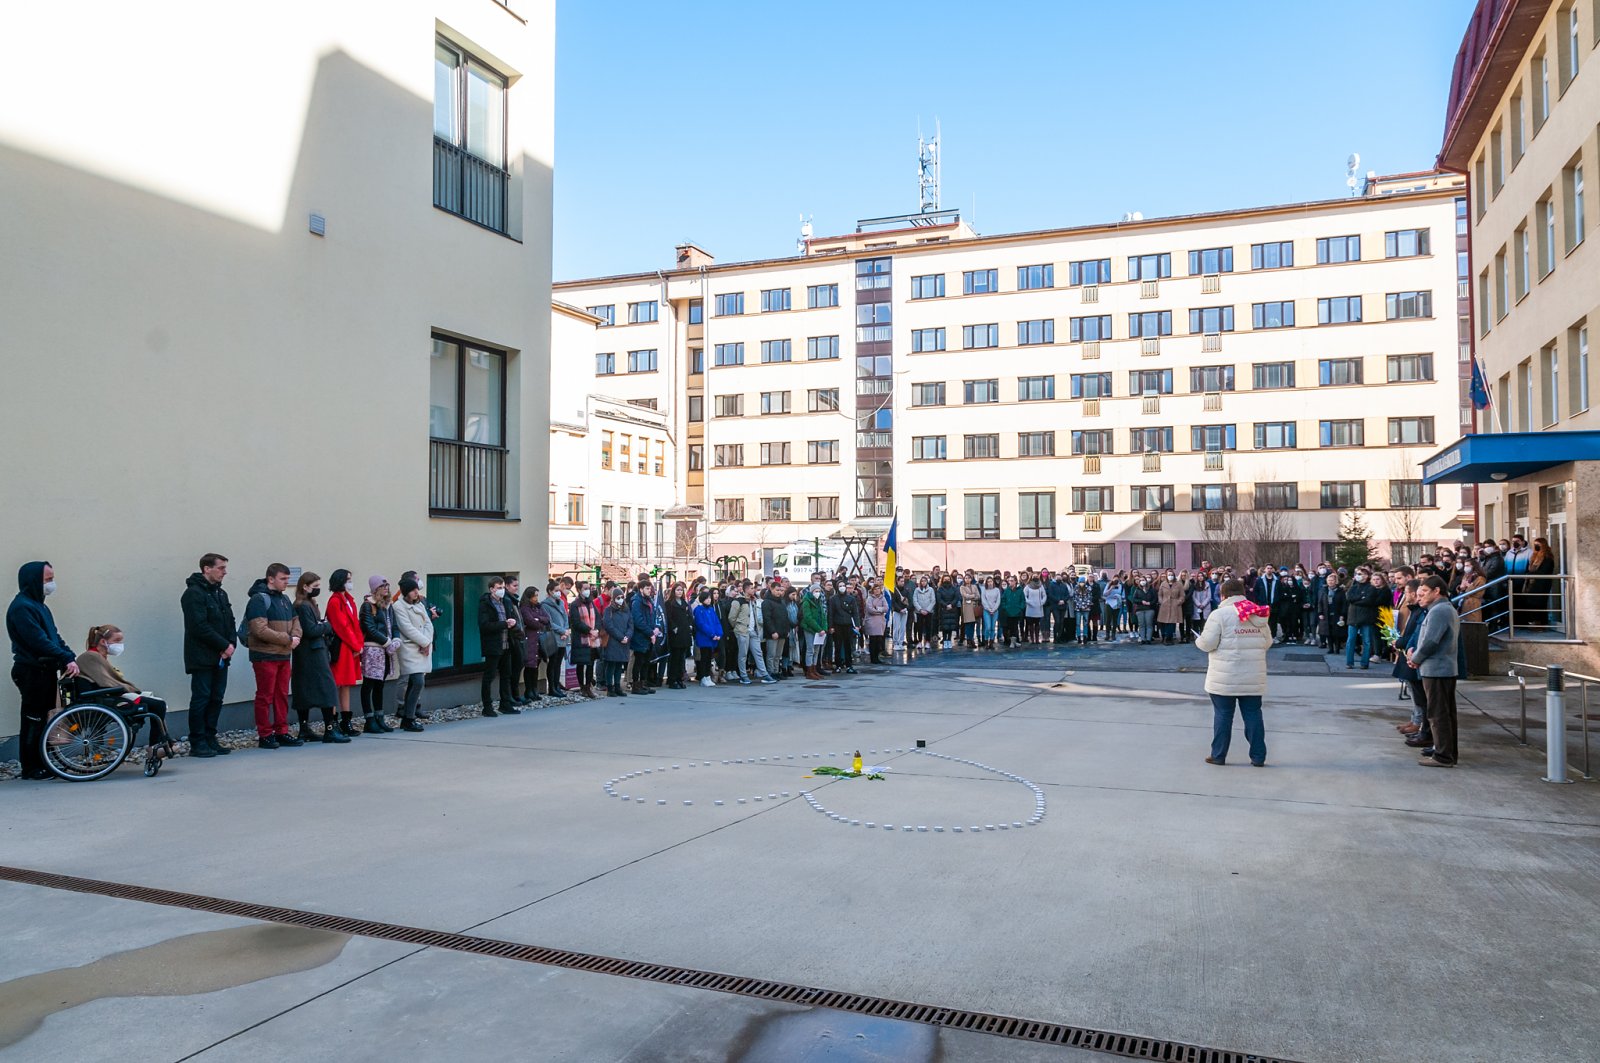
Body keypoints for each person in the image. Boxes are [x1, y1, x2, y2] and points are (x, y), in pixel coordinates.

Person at [1194, 578, 1271, 767]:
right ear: (1243, 593)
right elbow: (1267, 642)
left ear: (1223, 595)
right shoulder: (1257, 613)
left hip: (1224, 676)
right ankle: (1258, 756)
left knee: (1223, 715)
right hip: (1252, 675)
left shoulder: (1219, 615)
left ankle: (1218, 755)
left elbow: (1207, 644)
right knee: (1253, 714)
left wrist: (1198, 640)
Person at [77, 624, 174, 758]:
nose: (120, 645)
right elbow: (106, 683)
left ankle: (163, 743)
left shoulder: (96, 656)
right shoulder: (91, 657)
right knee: (158, 705)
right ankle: (155, 746)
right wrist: (128, 689)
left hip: (106, 696)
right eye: (116, 641)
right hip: (105, 700)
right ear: (103, 641)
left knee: (157, 703)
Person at [180, 553, 236, 758]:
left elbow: (230, 621)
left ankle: (211, 737)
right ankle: (198, 741)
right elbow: (198, 626)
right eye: (220, 568)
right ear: (206, 569)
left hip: (222, 656)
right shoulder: (193, 594)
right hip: (202, 656)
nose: (224, 572)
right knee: (201, 698)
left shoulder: (220, 593)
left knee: (216, 698)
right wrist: (223, 645)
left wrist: (231, 644)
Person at [243, 563, 303, 749]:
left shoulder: (284, 599)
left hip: (283, 655)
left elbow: (296, 621)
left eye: (288, 579)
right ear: (270, 579)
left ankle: (281, 731)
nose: (286, 582)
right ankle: (265, 734)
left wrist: (296, 636)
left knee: (282, 695)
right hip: (265, 655)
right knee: (265, 696)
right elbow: (259, 629)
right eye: (283, 579)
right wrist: (288, 639)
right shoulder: (258, 600)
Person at [289, 573, 348, 744]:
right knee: (326, 687)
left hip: (310, 652)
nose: (318, 589)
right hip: (312, 652)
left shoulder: (307, 604)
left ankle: (305, 729)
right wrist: (327, 626)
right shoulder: (303, 606)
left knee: (307, 689)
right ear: (305, 587)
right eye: (315, 586)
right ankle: (329, 729)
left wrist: (321, 626)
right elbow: (311, 630)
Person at [1409, 576, 1461, 767]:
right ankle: (1446, 750)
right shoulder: (1443, 609)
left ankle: (1443, 755)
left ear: (1436, 591)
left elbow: (1431, 641)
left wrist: (1415, 658)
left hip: (1437, 669)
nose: (1420, 597)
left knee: (1438, 713)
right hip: (1440, 668)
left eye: (1424, 592)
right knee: (1444, 713)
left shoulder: (1440, 611)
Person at [326, 570, 368, 736]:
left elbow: (355, 625)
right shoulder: (335, 601)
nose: (350, 582)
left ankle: (346, 720)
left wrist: (359, 644)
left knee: (346, 684)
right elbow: (341, 627)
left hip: (350, 646)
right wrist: (356, 645)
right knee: (337, 682)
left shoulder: (349, 600)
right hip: (342, 647)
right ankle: (333, 721)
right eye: (348, 580)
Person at [357, 575, 400, 732]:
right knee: (369, 683)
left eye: (387, 585)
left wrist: (396, 639)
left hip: (386, 650)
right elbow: (369, 628)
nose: (386, 588)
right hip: (373, 649)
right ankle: (369, 719)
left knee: (380, 684)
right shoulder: (368, 606)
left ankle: (379, 717)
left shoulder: (388, 606)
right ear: (375, 589)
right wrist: (387, 642)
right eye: (383, 586)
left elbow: (394, 625)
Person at [391, 576, 432, 731]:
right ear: (406, 592)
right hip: (409, 648)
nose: (416, 592)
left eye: (416, 589)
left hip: (422, 646)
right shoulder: (398, 606)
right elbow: (406, 628)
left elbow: (428, 624)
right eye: (413, 590)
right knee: (417, 681)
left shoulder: (419, 604)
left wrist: (427, 642)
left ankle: (408, 717)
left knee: (416, 682)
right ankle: (409, 717)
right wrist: (424, 642)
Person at [477, 575, 519, 716]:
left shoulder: (506, 601)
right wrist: (504, 624)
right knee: (489, 676)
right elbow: (484, 625)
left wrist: (513, 623)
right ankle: (487, 707)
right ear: (491, 589)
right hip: (493, 645)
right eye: (499, 588)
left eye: (502, 587)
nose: (501, 590)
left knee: (506, 675)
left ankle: (505, 704)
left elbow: (512, 618)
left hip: (507, 644)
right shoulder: (485, 604)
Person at [1344, 567, 1382, 670]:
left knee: (1366, 641)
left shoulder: (1371, 588)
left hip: (1366, 617)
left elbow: (1368, 601)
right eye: (1358, 574)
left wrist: (1356, 600)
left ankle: (1364, 663)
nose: (1359, 576)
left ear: (1367, 575)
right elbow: (1349, 598)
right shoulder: (1353, 587)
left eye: (1361, 574)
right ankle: (1349, 662)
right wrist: (1361, 597)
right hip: (1353, 617)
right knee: (1351, 640)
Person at [600, 590, 634, 696]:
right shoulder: (608, 610)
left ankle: (618, 686)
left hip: (624, 641)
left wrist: (627, 636)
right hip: (613, 641)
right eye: (618, 598)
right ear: (613, 598)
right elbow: (608, 626)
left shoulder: (626, 610)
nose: (620, 600)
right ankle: (610, 688)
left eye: (622, 597)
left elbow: (631, 625)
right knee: (611, 665)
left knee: (619, 665)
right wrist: (620, 637)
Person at [541, 581, 571, 696]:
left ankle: (557, 686)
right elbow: (549, 622)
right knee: (553, 663)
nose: (558, 593)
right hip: (554, 637)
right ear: (550, 591)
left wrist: (566, 631)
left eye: (559, 590)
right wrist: (562, 631)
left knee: (558, 663)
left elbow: (565, 617)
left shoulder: (561, 602)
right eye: (556, 590)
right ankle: (552, 688)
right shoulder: (545, 605)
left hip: (563, 637)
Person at [505, 577, 532, 705]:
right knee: (514, 669)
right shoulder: (507, 600)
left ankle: (515, 695)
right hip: (513, 639)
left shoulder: (513, 600)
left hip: (518, 637)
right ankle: (512, 696)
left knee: (517, 667)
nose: (517, 588)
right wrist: (518, 631)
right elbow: (511, 620)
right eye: (514, 585)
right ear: (507, 586)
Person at [518, 585, 547, 702]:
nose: (536, 598)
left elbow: (547, 618)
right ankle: (528, 690)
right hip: (530, 640)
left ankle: (534, 689)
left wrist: (538, 619)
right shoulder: (524, 608)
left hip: (538, 641)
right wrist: (539, 621)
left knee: (536, 666)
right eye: (535, 596)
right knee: (529, 666)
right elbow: (530, 622)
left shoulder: (538, 607)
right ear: (529, 596)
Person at [569, 583, 599, 698]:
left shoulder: (591, 603)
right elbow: (576, 622)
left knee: (590, 664)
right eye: (585, 589)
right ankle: (582, 686)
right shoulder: (574, 605)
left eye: (589, 589)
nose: (588, 591)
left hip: (592, 639)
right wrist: (589, 630)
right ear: (579, 590)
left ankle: (588, 686)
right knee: (581, 664)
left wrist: (596, 629)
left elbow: (598, 618)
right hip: (580, 639)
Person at [664, 583, 693, 689]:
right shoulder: (669, 603)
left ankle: (679, 678)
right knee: (674, 658)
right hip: (675, 634)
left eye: (681, 590)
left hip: (684, 632)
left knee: (681, 658)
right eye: (677, 590)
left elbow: (689, 616)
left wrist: (690, 625)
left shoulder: (684, 602)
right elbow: (668, 618)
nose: (680, 592)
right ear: (674, 591)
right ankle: (672, 680)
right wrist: (673, 627)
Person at [829, 579, 862, 673]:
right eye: (840, 586)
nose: (842, 588)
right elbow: (831, 614)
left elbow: (855, 613)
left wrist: (857, 625)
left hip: (848, 624)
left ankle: (849, 665)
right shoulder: (833, 599)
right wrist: (831, 626)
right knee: (838, 646)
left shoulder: (851, 598)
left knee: (848, 646)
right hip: (837, 625)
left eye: (843, 586)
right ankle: (838, 665)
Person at [762, 581, 794, 679]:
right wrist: (772, 631)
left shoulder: (782, 602)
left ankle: (776, 671)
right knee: (771, 654)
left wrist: (787, 630)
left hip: (782, 632)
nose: (779, 592)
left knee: (778, 655)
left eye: (780, 590)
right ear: (771, 589)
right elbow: (767, 618)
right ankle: (770, 672)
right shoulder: (766, 602)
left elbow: (785, 617)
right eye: (777, 590)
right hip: (773, 633)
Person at [692, 590, 723, 687]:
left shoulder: (711, 609)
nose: (709, 600)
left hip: (712, 638)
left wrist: (719, 633)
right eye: (706, 598)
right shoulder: (698, 609)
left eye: (709, 598)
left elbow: (717, 622)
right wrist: (712, 634)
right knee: (704, 658)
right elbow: (701, 624)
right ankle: (703, 677)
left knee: (709, 658)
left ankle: (707, 676)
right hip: (704, 637)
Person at [800, 581, 829, 679]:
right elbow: (808, 618)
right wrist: (819, 629)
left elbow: (823, 615)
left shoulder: (819, 601)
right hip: (810, 629)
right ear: (811, 592)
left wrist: (824, 628)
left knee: (816, 650)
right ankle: (809, 671)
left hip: (819, 630)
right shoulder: (806, 601)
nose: (818, 593)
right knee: (810, 650)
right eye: (816, 591)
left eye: (819, 591)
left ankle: (814, 669)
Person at [1156, 571, 1186, 645]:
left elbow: (1182, 595)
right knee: (1163, 621)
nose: (1170, 576)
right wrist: (1161, 601)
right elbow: (1160, 594)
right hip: (1164, 605)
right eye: (1169, 575)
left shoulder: (1179, 584)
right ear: (1166, 576)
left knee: (1171, 622)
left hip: (1174, 605)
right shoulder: (1163, 584)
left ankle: (1169, 638)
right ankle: (1164, 637)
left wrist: (1178, 602)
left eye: (1172, 575)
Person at [863, 579, 889, 664]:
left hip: (880, 622)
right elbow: (870, 609)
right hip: (872, 622)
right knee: (873, 641)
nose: (877, 590)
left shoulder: (883, 598)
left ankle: (877, 657)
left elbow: (886, 608)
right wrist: (880, 611)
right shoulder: (870, 598)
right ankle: (873, 658)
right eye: (875, 589)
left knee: (879, 641)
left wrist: (878, 609)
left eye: (878, 589)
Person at [1021, 576, 1046, 645]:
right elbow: (1024, 596)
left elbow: (1044, 595)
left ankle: (1037, 639)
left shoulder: (1041, 586)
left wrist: (1042, 602)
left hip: (1038, 607)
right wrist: (1029, 602)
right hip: (1030, 608)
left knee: (1037, 624)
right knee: (1030, 624)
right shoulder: (1028, 587)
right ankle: (1032, 639)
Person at [979, 576, 1001, 649]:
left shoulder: (997, 590)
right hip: (986, 611)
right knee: (988, 627)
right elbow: (983, 601)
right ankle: (986, 642)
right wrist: (989, 609)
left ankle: (991, 643)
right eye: (988, 582)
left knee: (992, 627)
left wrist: (994, 609)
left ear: (993, 582)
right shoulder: (984, 590)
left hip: (995, 611)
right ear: (986, 583)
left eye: (991, 581)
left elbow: (998, 600)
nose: (990, 583)